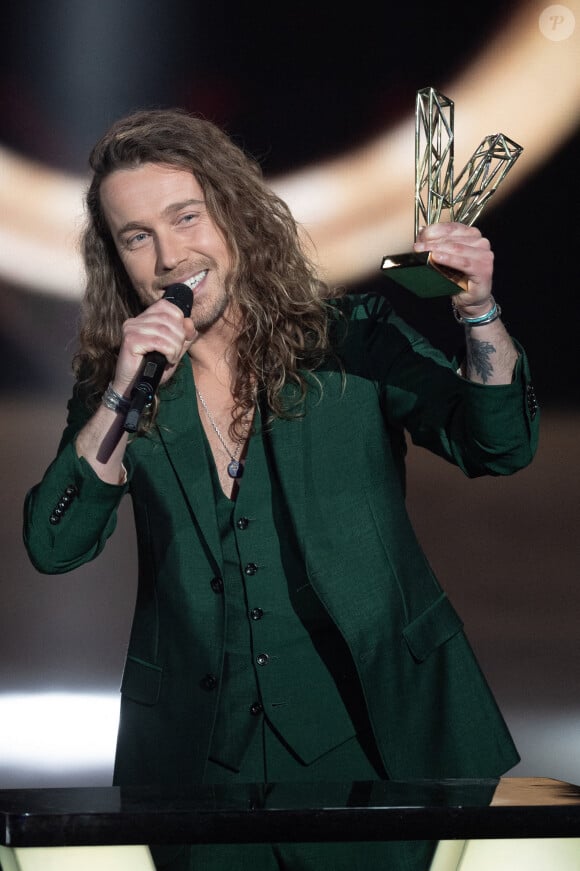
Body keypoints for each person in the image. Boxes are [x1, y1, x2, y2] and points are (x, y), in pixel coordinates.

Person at [23, 108, 539, 871]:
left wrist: (478, 308)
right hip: (198, 766)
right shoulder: (122, 388)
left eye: (185, 217)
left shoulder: (350, 337)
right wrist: (121, 397)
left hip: (374, 744)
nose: (169, 255)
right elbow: (54, 543)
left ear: (234, 212)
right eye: (137, 237)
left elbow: (498, 443)